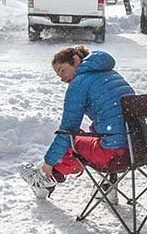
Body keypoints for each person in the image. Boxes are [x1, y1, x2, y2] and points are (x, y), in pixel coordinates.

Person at [18, 45, 136, 197]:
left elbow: (67, 130)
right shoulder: (110, 74)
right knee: (84, 136)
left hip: (113, 155)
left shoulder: (79, 83)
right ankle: (107, 188)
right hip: (136, 148)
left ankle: (44, 180)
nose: (61, 79)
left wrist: (49, 162)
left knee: (71, 140)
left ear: (75, 60)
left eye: (62, 70)